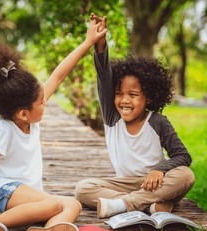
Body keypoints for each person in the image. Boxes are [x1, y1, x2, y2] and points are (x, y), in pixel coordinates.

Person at [0, 17, 107, 231]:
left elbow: (58, 75)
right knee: (54, 204)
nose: (45, 102)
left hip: (24, 196)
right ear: (23, 114)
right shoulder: (4, 129)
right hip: (3, 192)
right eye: (41, 102)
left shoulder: (28, 117)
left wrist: (88, 42)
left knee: (72, 204)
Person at [75, 14, 195, 219]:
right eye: (119, 93)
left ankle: (124, 204)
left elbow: (183, 156)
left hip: (157, 181)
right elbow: (104, 78)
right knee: (83, 188)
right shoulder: (113, 117)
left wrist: (160, 170)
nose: (124, 100)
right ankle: (149, 205)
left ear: (148, 97)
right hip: (126, 183)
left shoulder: (158, 122)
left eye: (133, 95)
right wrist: (100, 44)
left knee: (185, 175)